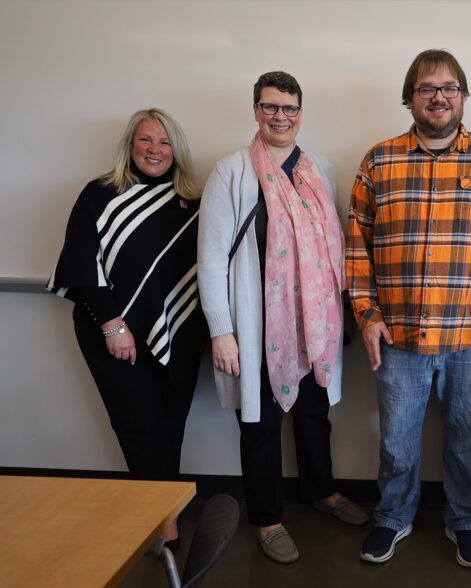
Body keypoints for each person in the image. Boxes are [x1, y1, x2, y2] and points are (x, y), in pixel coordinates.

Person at [346, 49, 471, 567]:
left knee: (468, 440)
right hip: (397, 336)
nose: (439, 97)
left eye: (449, 88)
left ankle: (465, 521)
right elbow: (356, 243)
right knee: (396, 441)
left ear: (464, 96)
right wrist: (367, 314)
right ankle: (392, 517)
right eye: (427, 88)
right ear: (410, 98)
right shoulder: (378, 160)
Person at [197, 71, 367, 565]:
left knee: (315, 415)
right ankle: (268, 518)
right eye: (271, 107)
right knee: (261, 422)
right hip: (257, 328)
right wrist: (221, 331)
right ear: (255, 110)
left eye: (289, 108)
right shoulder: (231, 172)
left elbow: (334, 248)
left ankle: (322, 491)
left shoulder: (321, 170)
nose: (280, 117)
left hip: (315, 324)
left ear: (300, 113)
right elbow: (210, 258)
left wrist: (345, 316)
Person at [48, 108, 206, 548]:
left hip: (179, 332)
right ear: (130, 145)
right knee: (141, 426)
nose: (155, 150)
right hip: (111, 331)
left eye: (164, 142)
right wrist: (114, 326)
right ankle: (164, 524)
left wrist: (207, 333)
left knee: (171, 423)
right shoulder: (101, 193)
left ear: (177, 150)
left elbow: (203, 270)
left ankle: (159, 506)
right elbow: (82, 264)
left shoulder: (190, 202)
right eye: (145, 141)